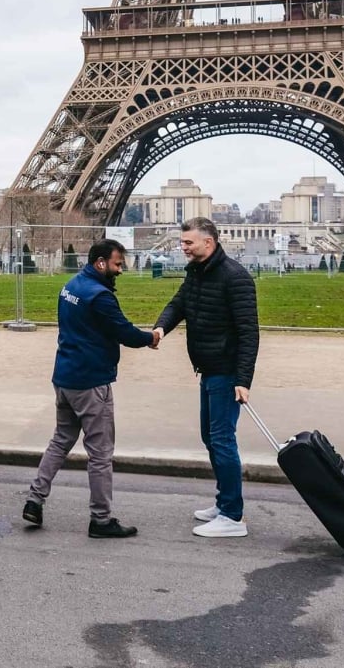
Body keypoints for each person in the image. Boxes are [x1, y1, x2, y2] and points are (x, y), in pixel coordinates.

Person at [22, 238, 161, 539]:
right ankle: (100, 519)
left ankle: (35, 498)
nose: (120, 270)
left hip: (65, 377)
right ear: (101, 263)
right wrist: (149, 338)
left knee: (60, 440)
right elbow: (124, 331)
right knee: (100, 452)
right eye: (117, 264)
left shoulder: (71, 286)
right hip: (91, 382)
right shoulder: (100, 296)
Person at [153, 217, 260, 539]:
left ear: (208, 243)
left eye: (188, 243)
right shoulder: (197, 273)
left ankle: (232, 516)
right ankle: (225, 501)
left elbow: (248, 333)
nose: (182, 247)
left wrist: (243, 379)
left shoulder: (235, 277)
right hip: (208, 368)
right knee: (210, 438)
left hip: (226, 373)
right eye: (182, 242)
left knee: (222, 440)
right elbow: (179, 304)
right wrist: (160, 328)